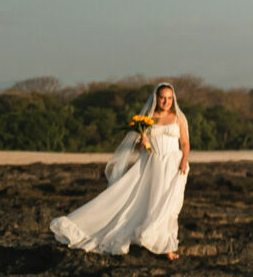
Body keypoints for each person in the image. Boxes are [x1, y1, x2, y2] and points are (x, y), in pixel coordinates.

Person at [51, 82, 192, 260]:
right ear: (157, 99)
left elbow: (185, 143)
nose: (166, 102)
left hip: (174, 164)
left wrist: (184, 161)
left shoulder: (178, 118)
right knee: (154, 202)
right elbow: (139, 148)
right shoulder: (148, 118)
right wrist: (143, 142)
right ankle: (155, 241)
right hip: (154, 164)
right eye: (163, 98)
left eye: (169, 98)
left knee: (171, 205)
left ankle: (167, 246)